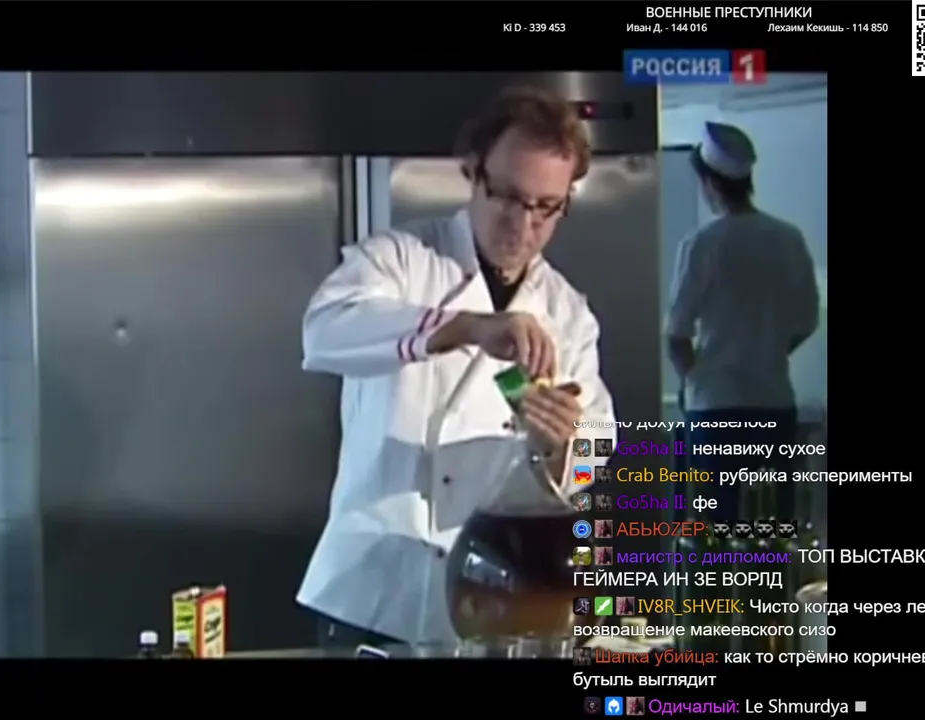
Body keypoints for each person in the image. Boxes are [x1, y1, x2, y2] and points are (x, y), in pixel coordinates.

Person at [297, 85, 618, 649]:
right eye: (508, 197)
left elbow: (597, 446)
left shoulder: (567, 313)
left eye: (546, 208)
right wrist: (466, 328)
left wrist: (563, 447)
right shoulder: (401, 259)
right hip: (373, 591)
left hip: (495, 597)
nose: (523, 225)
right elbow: (323, 331)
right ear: (473, 171)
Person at [666, 121, 819, 519]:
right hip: (774, 404)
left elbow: (676, 334)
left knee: (715, 526)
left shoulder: (702, 244)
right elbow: (807, 320)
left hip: (716, 408)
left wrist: (696, 380)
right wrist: (765, 351)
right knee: (772, 526)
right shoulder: (788, 238)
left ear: (708, 183)